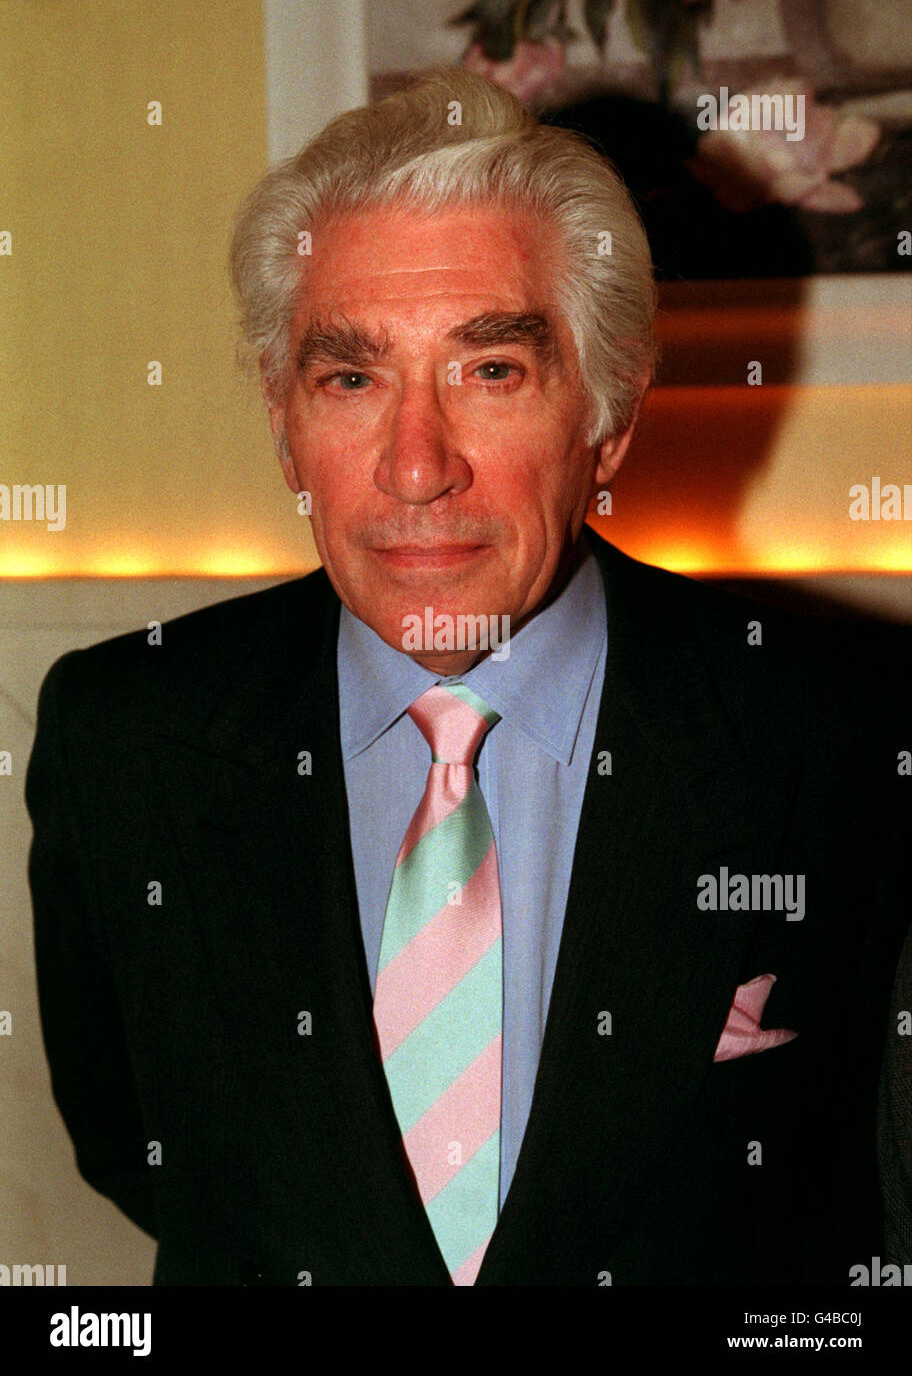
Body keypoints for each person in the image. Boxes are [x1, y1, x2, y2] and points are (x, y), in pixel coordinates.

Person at [26, 66, 908, 1287]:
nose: (415, 465)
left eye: (489, 370)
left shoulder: (848, 740)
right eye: (352, 378)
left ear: (608, 418)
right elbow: (137, 1147)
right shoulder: (121, 737)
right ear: (285, 423)